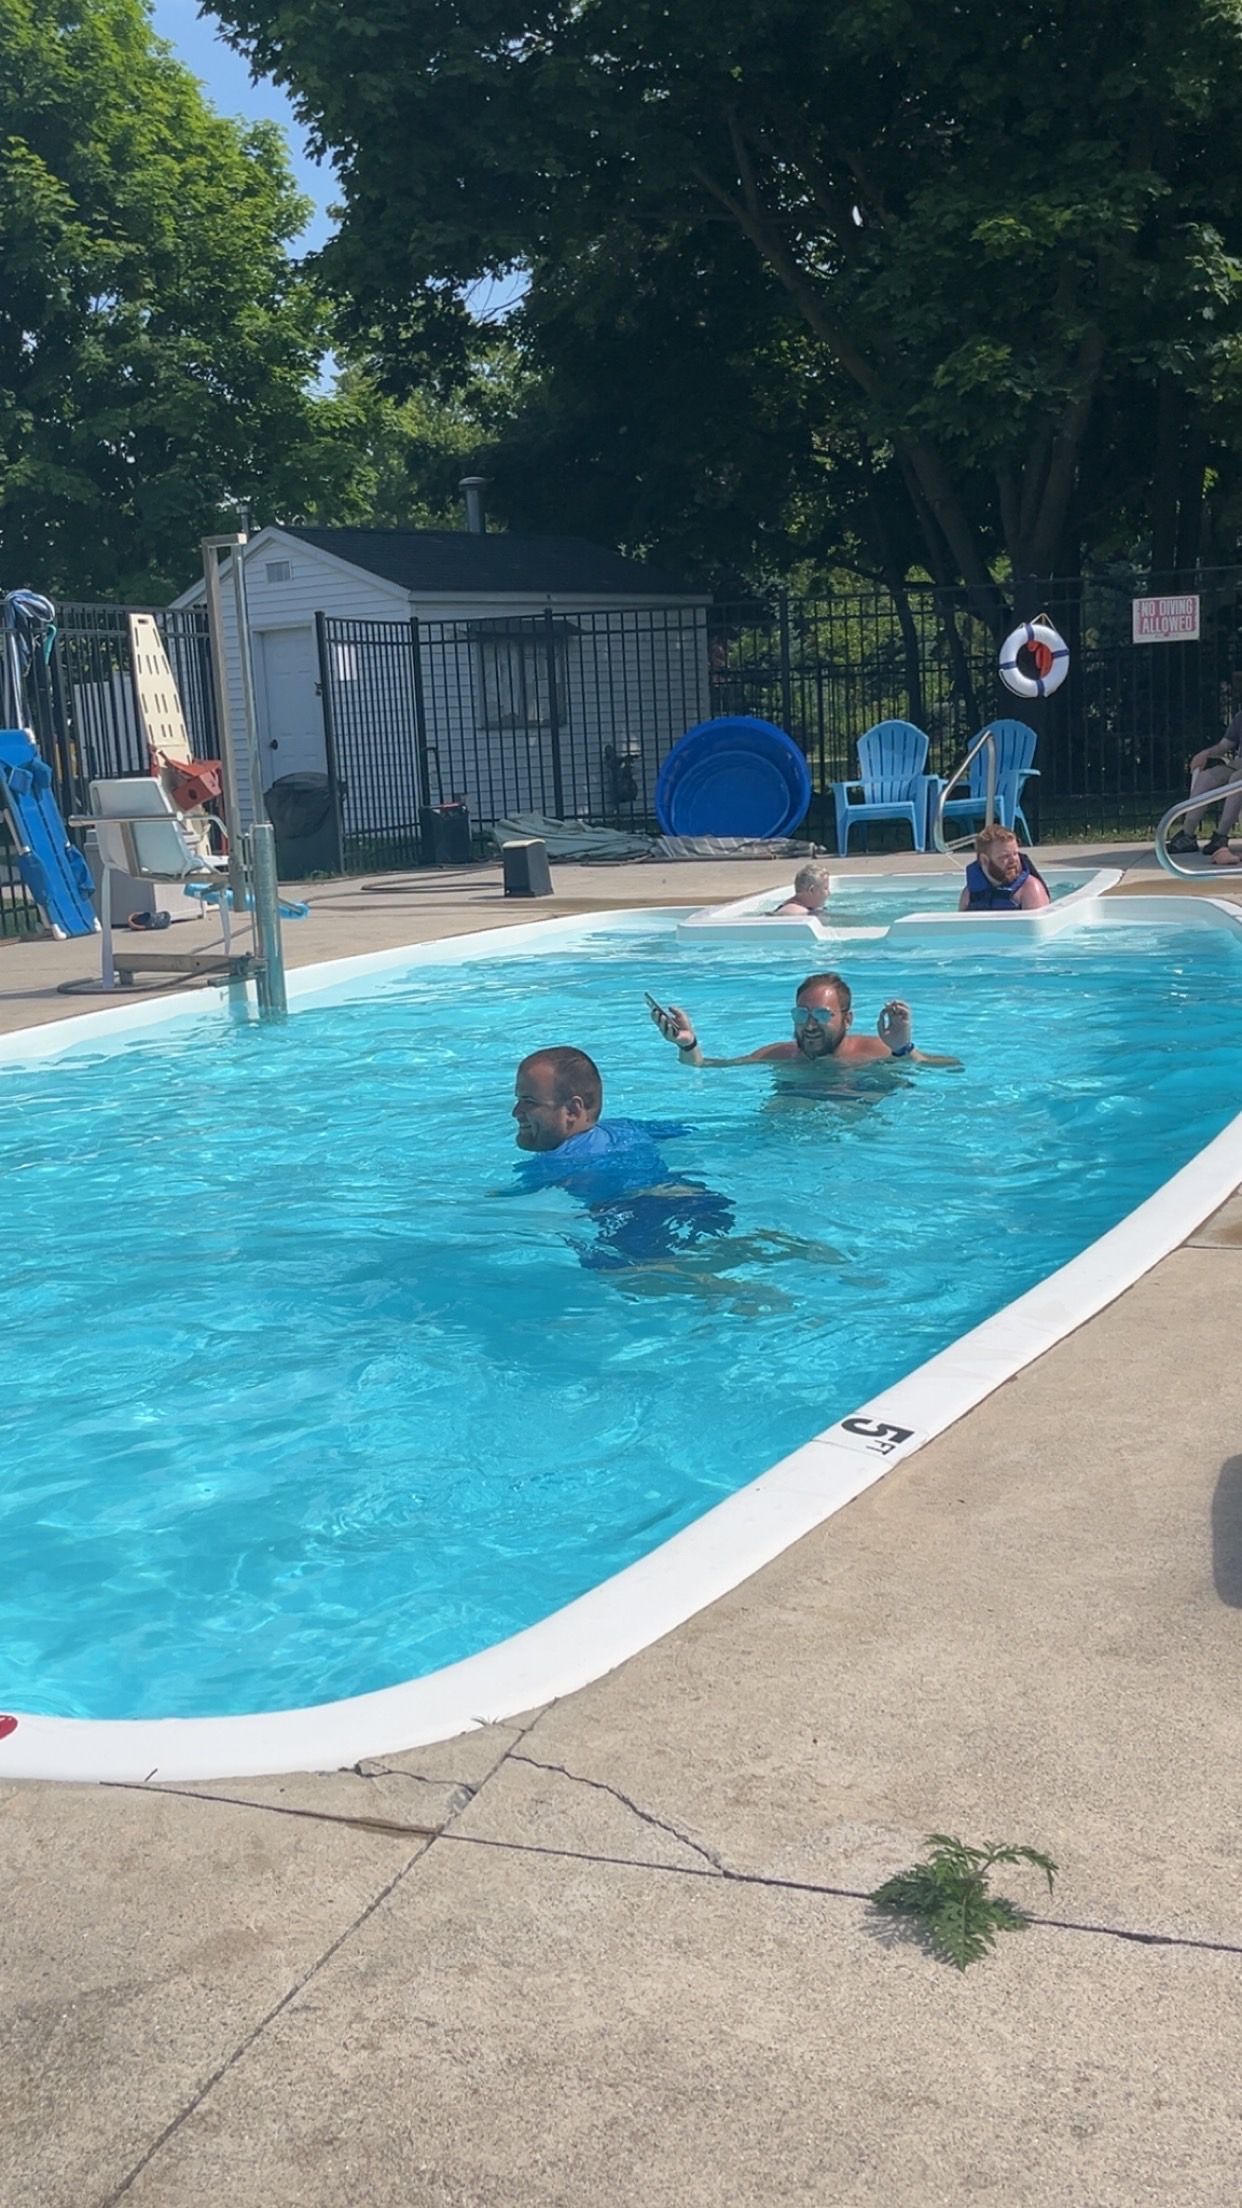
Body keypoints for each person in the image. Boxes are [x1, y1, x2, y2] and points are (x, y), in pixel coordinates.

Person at [510, 1047, 735, 1268]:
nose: (516, 1112)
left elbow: (508, 1206)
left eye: (529, 1101)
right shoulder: (625, 1127)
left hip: (638, 1215)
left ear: (572, 1110)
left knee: (618, 1273)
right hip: (696, 1196)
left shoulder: (552, 1163)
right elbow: (687, 1131)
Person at [649, 971, 960, 1074]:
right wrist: (688, 1042)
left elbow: (952, 1066)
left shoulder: (875, 1051)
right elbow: (703, 1067)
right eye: (802, 1014)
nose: (810, 1024)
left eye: (823, 1015)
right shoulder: (781, 1055)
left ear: (847, 1019)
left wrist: (904, 1049)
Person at [1168, 694, 1242, 864]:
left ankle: (1221, 836)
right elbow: (1225, 745)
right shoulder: (1240, 717)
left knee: (1237, 780)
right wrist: (1206, 753)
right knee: (1206, 777)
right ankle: (1187, 835)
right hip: (1238, 763)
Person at [958, 823, 1051, 911]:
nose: (1013, 860)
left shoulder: (1030, 890)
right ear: (984, 860)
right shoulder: (970, 893)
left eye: (1015, 854)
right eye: (1005, 856)